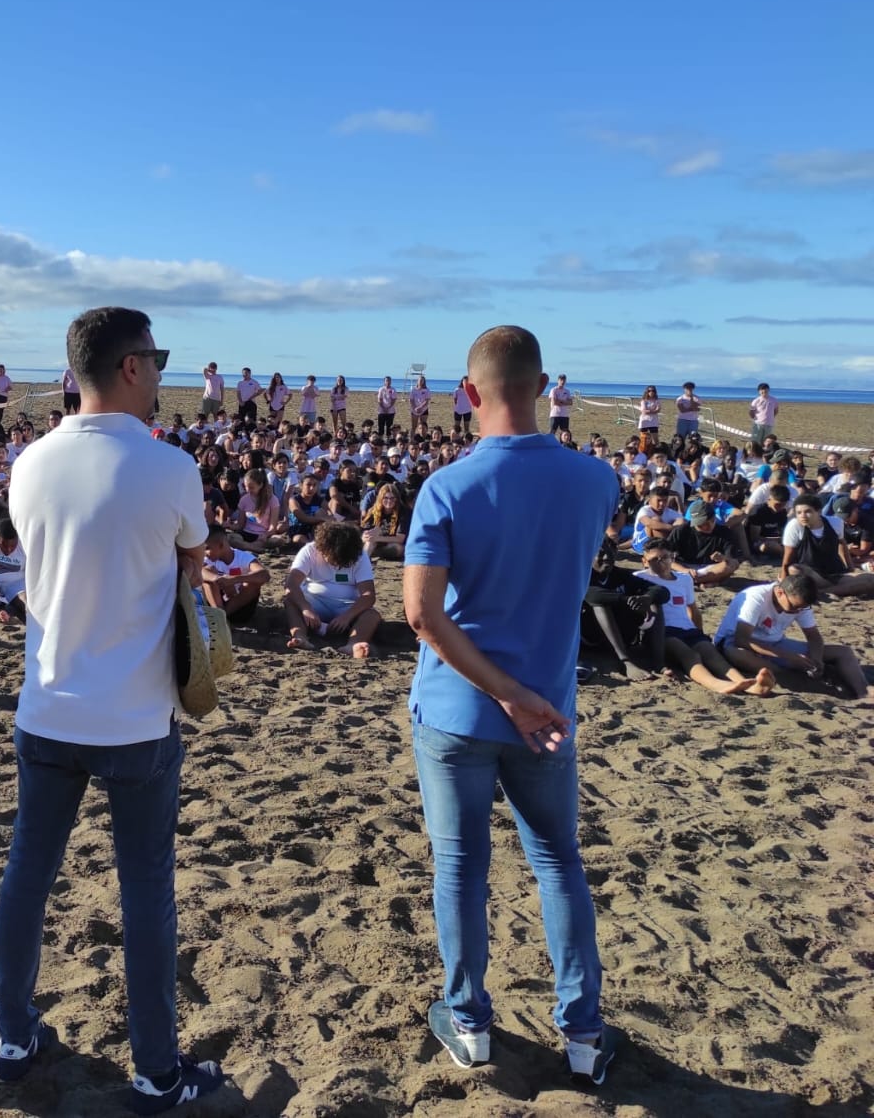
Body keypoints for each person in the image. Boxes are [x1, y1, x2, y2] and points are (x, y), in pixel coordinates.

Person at [0, 306, 224, 1111]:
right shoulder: (169, 467)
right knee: (145, 892)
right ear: (130, 367)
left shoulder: (29, 463)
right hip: (133, 715)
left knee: (28, 874)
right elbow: (193, 561)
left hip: (47, 704)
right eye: (156, 360)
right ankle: (156, 1069)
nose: (162, 375)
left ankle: (13, 1034)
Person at [403, 324, 621, 1086]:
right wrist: (529, 698)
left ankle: (470, 1023)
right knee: (559, 862)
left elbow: (423, 616)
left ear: (468, 394)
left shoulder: (448, 487)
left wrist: (505, 696)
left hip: (458, 712)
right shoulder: (598, 481)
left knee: (461, 867)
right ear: (545, 387)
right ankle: (584, 1034)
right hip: (549, 712)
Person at [635, 540, 772, 696]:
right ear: (645, 562)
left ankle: (745, 684)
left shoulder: (684, 579)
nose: (661, 562)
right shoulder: (639, 578)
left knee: (710, 652)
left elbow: (692, 610)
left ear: (672, 558)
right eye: (654, 559)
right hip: (662, 630)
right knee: (690, 655)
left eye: (664, 557)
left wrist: (699, 634)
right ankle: (718, 685)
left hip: (687, 629)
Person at [715, 576, 867, 700]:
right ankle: (782, 675)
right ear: (780, 592)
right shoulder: (757, 598)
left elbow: (814, 636)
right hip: (735, 642)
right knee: (736, 652)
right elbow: (742, 639)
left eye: (801, 608)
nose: (797, 611)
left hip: (776, 643)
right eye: (794, 607)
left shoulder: (800, 603)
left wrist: (817, 659)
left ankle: (863, 692)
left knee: (843, 652)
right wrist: (788, 657)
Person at [283, 520, 380, 656]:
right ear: (323, 548)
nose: (337, 564)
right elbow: (291, 584)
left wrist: (347, 616)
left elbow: (368, 595)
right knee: (290, 601)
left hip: (347, 606)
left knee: (372, 615)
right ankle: (300, 637)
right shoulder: (309, 550)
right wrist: (306, 608)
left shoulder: (359, 555)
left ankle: (354, 644)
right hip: (314, 602)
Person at [780, 494, 874, 597]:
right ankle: (831, 590)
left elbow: (841, 545)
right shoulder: (794, 526)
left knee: (870, 580)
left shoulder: (835, 522)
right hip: (811, 574)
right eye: (799, 513)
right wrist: (783, 586)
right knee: (794, 569)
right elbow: (786, 561)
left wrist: (850, 568)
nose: (802, 515)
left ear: (819, 511)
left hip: (835, 572)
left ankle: (822, 591)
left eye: (808, 512)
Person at [201, 525, 269, 626]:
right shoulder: (208, 560)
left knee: (253, 584)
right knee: (208, 576)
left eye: (207, 548)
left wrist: (234, 580)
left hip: (241, 607)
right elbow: (201, 571)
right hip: (218, 603)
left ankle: (221, 616)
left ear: (221, 545)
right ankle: (219, 616)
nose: (205, 553)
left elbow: (265, 575)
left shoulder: (243, 557)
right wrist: (220, 580)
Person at [665, 499, 741, 585]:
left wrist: (723, 558)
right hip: (684, 566)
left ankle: (695, 580)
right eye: (700, 525)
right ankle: (708, 581)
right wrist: (684, 570)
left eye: (709, 522)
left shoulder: (725, 533)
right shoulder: (681, 530)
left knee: (731, 565)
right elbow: (665, 555)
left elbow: (733, 561)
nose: (705, 527)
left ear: (714, 518)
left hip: (709, 568)